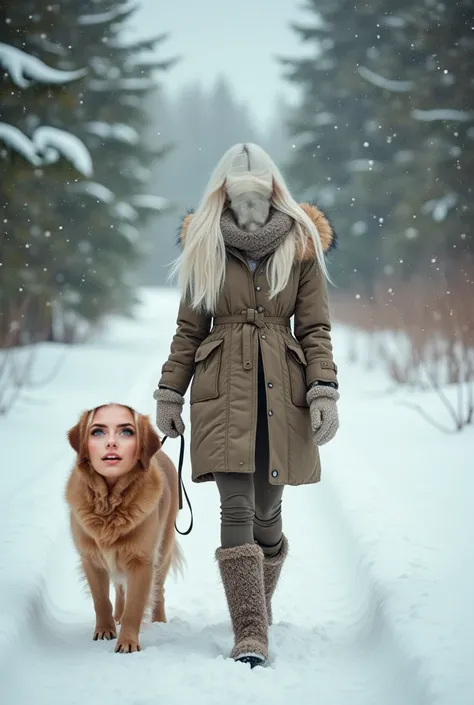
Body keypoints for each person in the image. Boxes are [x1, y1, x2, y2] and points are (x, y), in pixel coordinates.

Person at [153, 143, 339, 668]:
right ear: (224, 192)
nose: (249, 200)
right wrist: (170, 390)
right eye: (239, 193)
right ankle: (250, 630)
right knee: (234, 505)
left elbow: (316, 328)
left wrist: (323, 388)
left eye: (258, 192)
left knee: (267, 512)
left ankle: (255, 602)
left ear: (275, 190)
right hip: (221, 387)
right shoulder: (205, 243)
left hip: (284, 387)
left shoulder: (301, 243)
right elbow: (189, 329)